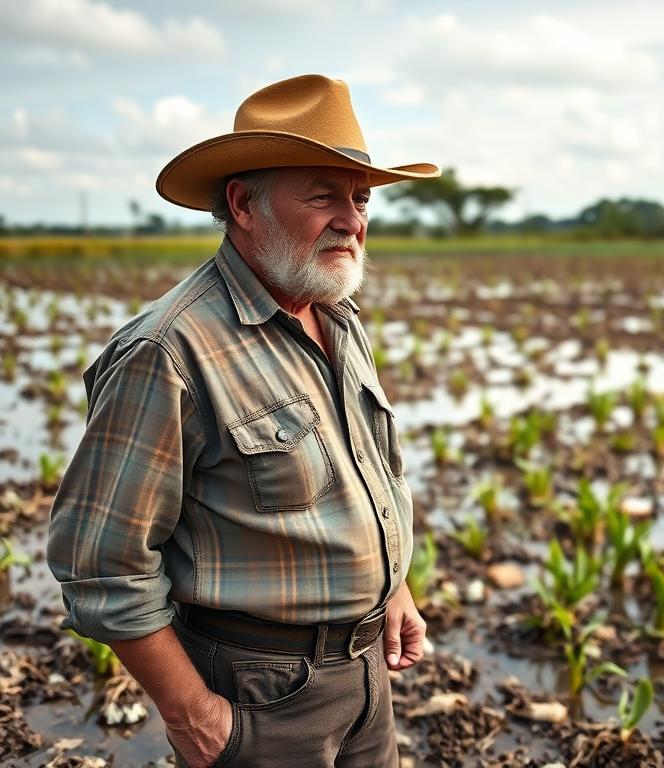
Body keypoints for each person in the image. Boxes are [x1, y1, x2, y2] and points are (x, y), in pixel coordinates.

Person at [47, 74, 441, 767]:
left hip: (366, 675)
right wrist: (194, 715)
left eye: (361, 198)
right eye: (324, 195)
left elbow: (369, 472)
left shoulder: (337, 318)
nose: (352, 219)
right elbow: (100, 562)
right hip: (257, 694)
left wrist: (393, 584)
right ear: (243, 204)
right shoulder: (167, 350)